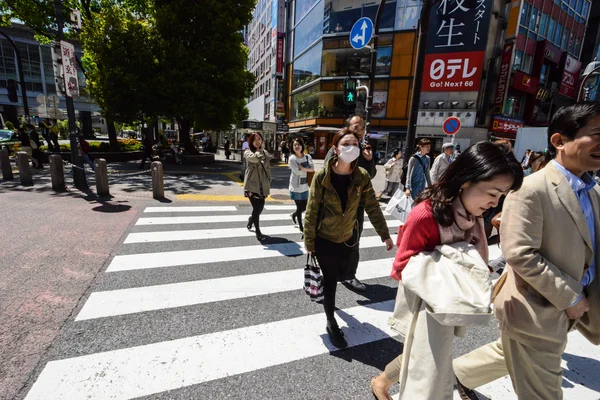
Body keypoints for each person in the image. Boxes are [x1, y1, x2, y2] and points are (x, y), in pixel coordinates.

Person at [453, 102, 600, 400]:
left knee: (507, 352)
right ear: (559, 141)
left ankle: (457, 372)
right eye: (596, 134)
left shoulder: (592, 190)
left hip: (574, 306)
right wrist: (570, 297)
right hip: (537, 307)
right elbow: (519, 252)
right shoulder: (531, 188)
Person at [369, 141, 524, 400]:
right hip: (428, 300)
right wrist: (453, 264)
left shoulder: (471, 215)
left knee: (424, 352)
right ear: (466, 181)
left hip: (453, 298)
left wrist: (468, 268)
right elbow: (400, 267)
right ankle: (382, 383)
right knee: (429, 359)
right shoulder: (425, 215)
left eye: (501, 197)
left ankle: (381, 382)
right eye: (492, 193)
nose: (494, 203)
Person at [304, 128, 393, 349]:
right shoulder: (323, 176)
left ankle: (329, 279)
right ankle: (331, 321)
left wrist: (385, 235)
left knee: (344, 274)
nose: (351, 148)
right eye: (346, 144)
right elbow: (312, 210)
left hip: (347, 237)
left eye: (355, 143)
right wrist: (309, 241)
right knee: (332, 282)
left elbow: (372, 206)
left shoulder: (361, 176)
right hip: (325, 238)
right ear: (335, 148)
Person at [324, 115, 376, 291]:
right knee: (332, 241)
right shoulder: (339, 147)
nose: (359, 130)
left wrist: (368, 161)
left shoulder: (364, 149)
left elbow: (371, 175)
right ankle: (330, 273)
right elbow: (326, 172)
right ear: (347, 127)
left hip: (356, 205)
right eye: (356, 127)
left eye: (362, 127)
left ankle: (349, 275)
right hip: (336, 205)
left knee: (354, 241)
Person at [244, 132, 271, 241]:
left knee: (260, 208)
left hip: (263, 185)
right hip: (251, 184)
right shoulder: (247, 152)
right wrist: (261, 151)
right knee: (256, 208)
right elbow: (255, 159)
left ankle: (251, 219)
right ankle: (258, 231)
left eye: (259, 138)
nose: (257, 141)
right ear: (251, 141)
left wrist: (269, 180)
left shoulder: (266, 153)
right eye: (255, 139)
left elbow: (268, 167)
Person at [288, 138, 314, 232]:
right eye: (294, 145)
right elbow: (297, 172)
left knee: (305, 206)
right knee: (300, 207)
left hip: (305, 185)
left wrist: (302, 167)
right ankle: (301, 226)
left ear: (302, 146)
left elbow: (312, 169)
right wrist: (306, 168)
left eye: (298, 144)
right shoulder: (292, 158)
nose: (296, 146)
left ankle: (294, 215)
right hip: (295, 186)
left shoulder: (307, 157)